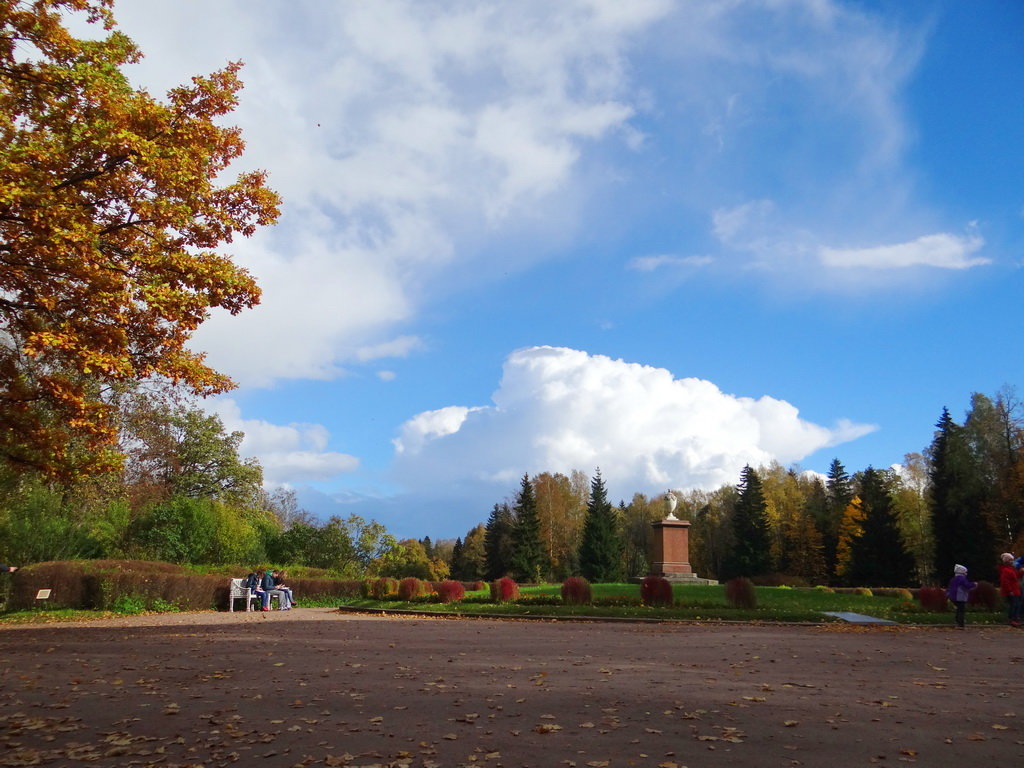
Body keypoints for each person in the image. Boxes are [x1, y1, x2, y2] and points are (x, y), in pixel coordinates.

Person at [946, 564, 976, 629]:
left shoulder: (953, 579)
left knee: (958, 610)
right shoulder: (962, 579)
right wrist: (974, 584)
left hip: (953, 597)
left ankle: (957, 622)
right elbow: (967, 585)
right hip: (960, 597)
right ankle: (961, 624)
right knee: (961, 610)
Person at [997, 553, 1022, 627]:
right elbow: (1005, 581)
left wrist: (1021, 572)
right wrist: (1010, 590)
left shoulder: (1011, 569)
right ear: (1006, 561)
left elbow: (1016, 577)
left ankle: (1015, 618)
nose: (1012, 562)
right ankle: (1012, 619)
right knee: (1013, 605)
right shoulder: (1005, 570)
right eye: (1010, 560)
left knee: (1016, 604)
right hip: (1012, 591)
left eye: (1012, 560)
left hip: (1015, 590)